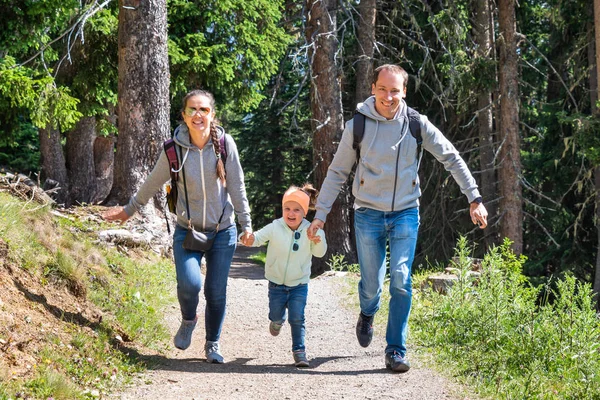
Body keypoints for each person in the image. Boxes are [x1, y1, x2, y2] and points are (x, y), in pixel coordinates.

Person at [307, 64, 488, 373]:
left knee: (402, 281)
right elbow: (337, 172)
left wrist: (474, 198)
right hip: (368, 214)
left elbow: (451, 157)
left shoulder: (417, 124)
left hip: (406, 211)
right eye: (382, 89)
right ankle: (367, 312)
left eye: (395, 90)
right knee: (372, 286)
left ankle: (396, 350)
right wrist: (320, 214)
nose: (388, 97)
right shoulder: (359, 125)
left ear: (404, 92)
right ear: (373, 89)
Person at [103, 89, 252, 364]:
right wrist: (128, 211)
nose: (198, 115)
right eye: (192, 110)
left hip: (223, 231)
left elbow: (237, 185)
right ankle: (188, 319)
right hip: (187, 229)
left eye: (204, 110)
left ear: (212, 114)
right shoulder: (173, 149)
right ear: (183, 115)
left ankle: (212, 344)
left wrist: (246, 225)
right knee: (190, 284)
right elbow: (152, 182)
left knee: (216, 291)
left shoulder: (225, 144)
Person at [240, 184, 327, 367]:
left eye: (296, 209)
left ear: (304, 212)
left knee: (298, 317)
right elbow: (257, 238)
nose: (291, 213)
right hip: (276, 284)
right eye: (287, 208)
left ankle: (299, 352)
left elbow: (320, 253)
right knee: (276, 315)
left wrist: (317, 240)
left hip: (299, 284)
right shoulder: (275, 226)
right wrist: (247, 238)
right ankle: (277, 321)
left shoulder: (311, 230)